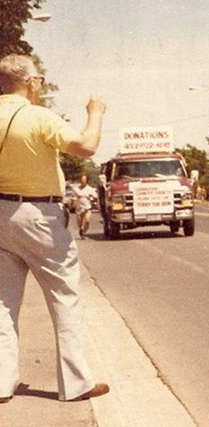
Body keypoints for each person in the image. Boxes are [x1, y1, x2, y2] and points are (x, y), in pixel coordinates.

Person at [0, 54, 109, 403]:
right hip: (38, 214)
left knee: (2, 303)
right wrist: (95, 113)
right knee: (64, 296)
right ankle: (75, 383)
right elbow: (86, 147)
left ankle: (1, 382)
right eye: (40, 81)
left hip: (0, 212)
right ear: (30, 82)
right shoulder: (37, 117)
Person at [72, 175, 96, 239]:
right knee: (79, 222)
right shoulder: (76, 189)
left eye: (84, 180)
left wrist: (91, 196)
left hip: (87, 207)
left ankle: (84, 233)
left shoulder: (90, 189)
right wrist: (74, 199)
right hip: (79, 208)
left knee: (87, 220)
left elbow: (95, 196)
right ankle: (81, 229)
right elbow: (72, 197)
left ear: (87, 181)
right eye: (81, 180)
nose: (82, 181)